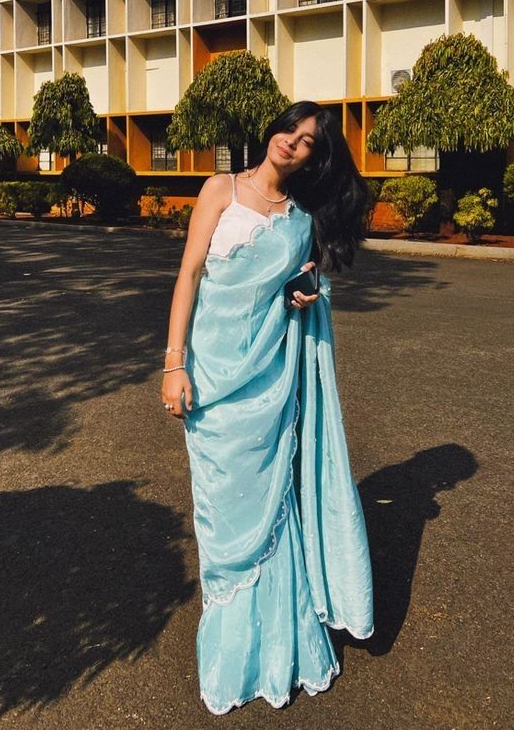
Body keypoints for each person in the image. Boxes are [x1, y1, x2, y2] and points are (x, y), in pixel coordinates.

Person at [161, 100, 374, 714]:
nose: (293, 142)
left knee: (272, 508)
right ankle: (233, 652)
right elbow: (189, 276)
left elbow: (300, 289)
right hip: (209, 380)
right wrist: (174, 364)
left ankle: (281, 649)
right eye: (289, 128)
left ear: (315, 157)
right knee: (223, 514)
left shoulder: (303, 218)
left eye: (308, 141)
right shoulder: (219, 189)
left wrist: (306, 297)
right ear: (272, 129)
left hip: (270, 382)